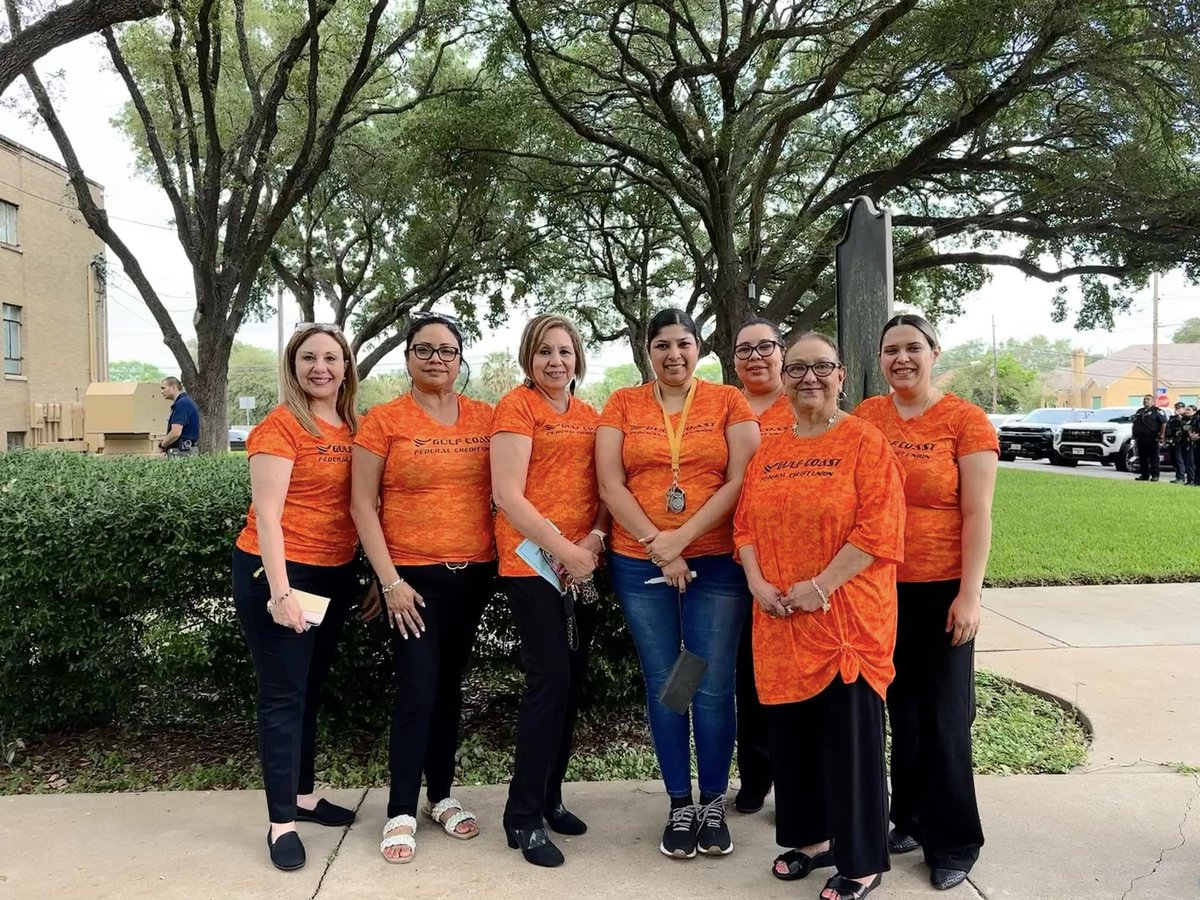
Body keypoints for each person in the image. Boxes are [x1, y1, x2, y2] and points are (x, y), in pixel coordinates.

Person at [734, 331, 905, 900]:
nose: (809, 377)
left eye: (822, 367)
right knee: (793, 738)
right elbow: (745, 527)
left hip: (845, 621)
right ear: (785, 378)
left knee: (850, 744)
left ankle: (860, 859)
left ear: (841, 374)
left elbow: (879, 530)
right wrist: (757, 580)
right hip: (779, 616)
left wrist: (820, 585)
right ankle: (811, 839)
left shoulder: (864, 441)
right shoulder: (772, 446)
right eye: (798, 368)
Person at [597, 308, 759, 860]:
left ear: (699, 349)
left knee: (710, 684)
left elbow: (742, 478)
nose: (673, 355)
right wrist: (657, 544)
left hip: (715, 563)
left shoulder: (728, 401)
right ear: (648, 350)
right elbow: (610, 483)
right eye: (662, 345)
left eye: (684, 344)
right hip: (641, 562)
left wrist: (682, 538)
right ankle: (679, 803)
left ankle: (713, 800)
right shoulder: (623, 402)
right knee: (668, 682)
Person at [855, 313, 999, 892]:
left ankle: (955, 839)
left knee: (942, 719)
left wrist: (970, 594)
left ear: (934, 352)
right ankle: (908, 819)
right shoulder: (867, 416)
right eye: (891, 350)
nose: (901, 359)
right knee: (902, 715)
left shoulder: (965, 420)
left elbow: (977, 513)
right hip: (876, 588)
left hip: (942, 588)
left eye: (913, 347)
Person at [351, 313, 496, 864]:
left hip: (475, 575)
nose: (436, 358)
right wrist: (388, 580)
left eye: (447, 350)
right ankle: (400, 810)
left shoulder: (486, 416)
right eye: (424, 349)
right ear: (408, 358)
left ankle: (440, 796)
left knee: (451, 688)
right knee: (417, 690)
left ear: (461, 359)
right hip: (411, 582)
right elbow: (362, 504)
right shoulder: (384, 421)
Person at [231, 323, 362, 872]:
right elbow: (267, 516)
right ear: (293, 365)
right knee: (283, 696)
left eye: (331, 358)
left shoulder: (353, 425)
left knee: (309, 689)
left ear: (346, 367)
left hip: (335, 572)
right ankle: (280, 822)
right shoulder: (281, 426)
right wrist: (282, 592)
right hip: (282, 573)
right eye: (308, 358)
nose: (320, 368)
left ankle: (304, 797)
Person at [491, 313, 608, 868]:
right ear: (527, 359)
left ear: (578, 358)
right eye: (544, 352)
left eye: (564, 352)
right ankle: (523, 816)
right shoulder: (517, 407)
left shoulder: (591, 415)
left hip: (580, 563)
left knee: (571, 684)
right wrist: (563, 550)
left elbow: (609, 486)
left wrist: (593, 540)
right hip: (531, 562)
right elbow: (508, 495)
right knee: (550, 681)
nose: (555, 362)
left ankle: (551, 795)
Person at [729, 317, 788, 814]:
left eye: (765, 347)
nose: (756, 357)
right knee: (746, 675)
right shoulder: (722, 407)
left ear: (782, 352)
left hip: (795, 559)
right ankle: (754, 775)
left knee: (792, 676)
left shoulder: (807, 403)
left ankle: (794, 782)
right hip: (736, 556)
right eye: (744, 350)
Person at [159, 376, 200, 456]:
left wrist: (163, 445)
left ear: (174, 387)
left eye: (163, 388)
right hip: (186, 450)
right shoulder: (185, 402)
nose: (161, 391)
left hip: (182, 452)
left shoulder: (182, 404)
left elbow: (175, 432)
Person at [1132, 394, 1167, 482]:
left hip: (1152, 439)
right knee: (1142, 458)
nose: (1145, 401)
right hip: (1140, 439)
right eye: (1144, 399)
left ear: (1153, 401)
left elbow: (1164, 423)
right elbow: (1135, 423)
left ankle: (1155, 475)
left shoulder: (1157, 411)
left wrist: (1161, 436)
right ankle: (1144, 475)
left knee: (1154, 458)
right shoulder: (1140, 411)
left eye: (1148, 399)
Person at [1166, 402, 1187, 483]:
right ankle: (1178, 476)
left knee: (1179, 460)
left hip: (1181, 441)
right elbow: (1168, 428)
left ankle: (1181, 477)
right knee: (1174, 460)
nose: (1177, 410)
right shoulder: (1173, 418)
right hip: (1172, 441)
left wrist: (1179, 417)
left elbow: (1184, 426)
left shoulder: (1184, 418)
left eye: (1179, 408)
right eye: (1176, 408)